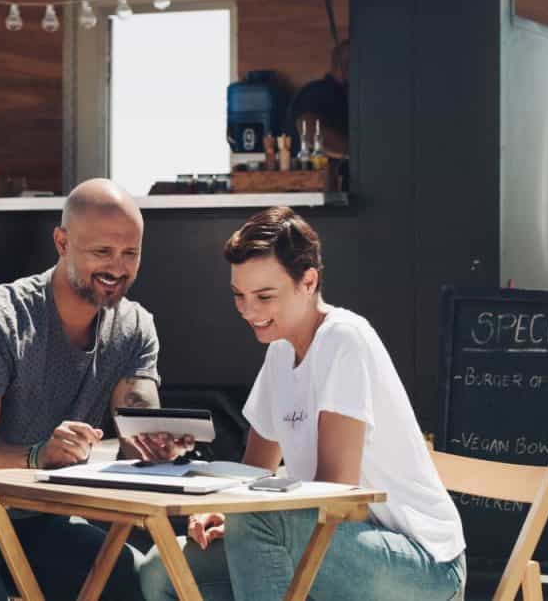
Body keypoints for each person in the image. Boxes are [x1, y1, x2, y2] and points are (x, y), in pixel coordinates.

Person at [140, 207, 466, 601]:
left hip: (422, 564)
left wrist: (248, 515)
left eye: (264, 296)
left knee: (256, 521)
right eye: (239, 295)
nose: (248, 310)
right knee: (163, 568)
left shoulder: (344, 339)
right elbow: (253, 473)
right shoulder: (280, 352)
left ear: (308, 281)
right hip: (330, 543)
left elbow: (338, 498)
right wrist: (219, 511)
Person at [0, 179, 183, 601]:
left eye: (130, 253)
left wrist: (154, 441)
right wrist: (37, 455)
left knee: (143, 587)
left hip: (35, 522)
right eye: (101, 252)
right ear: (61, 242)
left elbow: (139, 417)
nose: (117, 267)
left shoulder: (134, 329)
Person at [288, 39, 349, 160]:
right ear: (347, 66)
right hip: (309, 177)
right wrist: (358, 153)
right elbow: (309, 133)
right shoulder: (319, 92)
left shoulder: (338, 94)